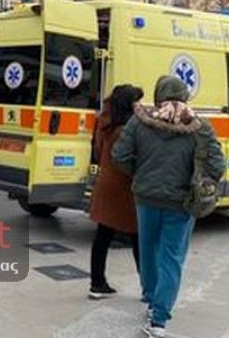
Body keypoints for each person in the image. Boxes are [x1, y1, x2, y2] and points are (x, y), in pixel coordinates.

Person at [112, 76, 224, 337]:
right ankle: (159, 321)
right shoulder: (200, 127)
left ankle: (151, 299)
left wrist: (140, 174)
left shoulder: (139, 122)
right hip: (181, 203)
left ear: (157, 96)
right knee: (171, 259)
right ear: (185, 96)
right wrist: (201, 182)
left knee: (148, 249)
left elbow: (119, 156)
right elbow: (217, 166)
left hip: (145, 198)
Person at [88, 84, 144, 300]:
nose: (139, 105)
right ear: (128, 104)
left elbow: (99, 152)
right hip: (123, 188)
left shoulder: (105, 123)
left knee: (102, 236)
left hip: (106, 184)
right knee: (138, 237)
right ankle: (147, 286)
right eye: (136, 101)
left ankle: (97, 283)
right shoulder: (126, 130)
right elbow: (129, 160)